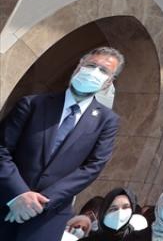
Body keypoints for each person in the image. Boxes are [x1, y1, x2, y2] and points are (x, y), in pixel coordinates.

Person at [1, 48, 125, 240]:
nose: (95, 72)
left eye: (104, 71)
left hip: (49, 216)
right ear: (78, 67)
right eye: (91, 66)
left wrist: (41, 202)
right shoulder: (32, 105)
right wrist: (20, 194)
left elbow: (92, 167)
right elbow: (2, 150)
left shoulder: (107, 121)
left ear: (109, 81)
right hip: (7, 203)